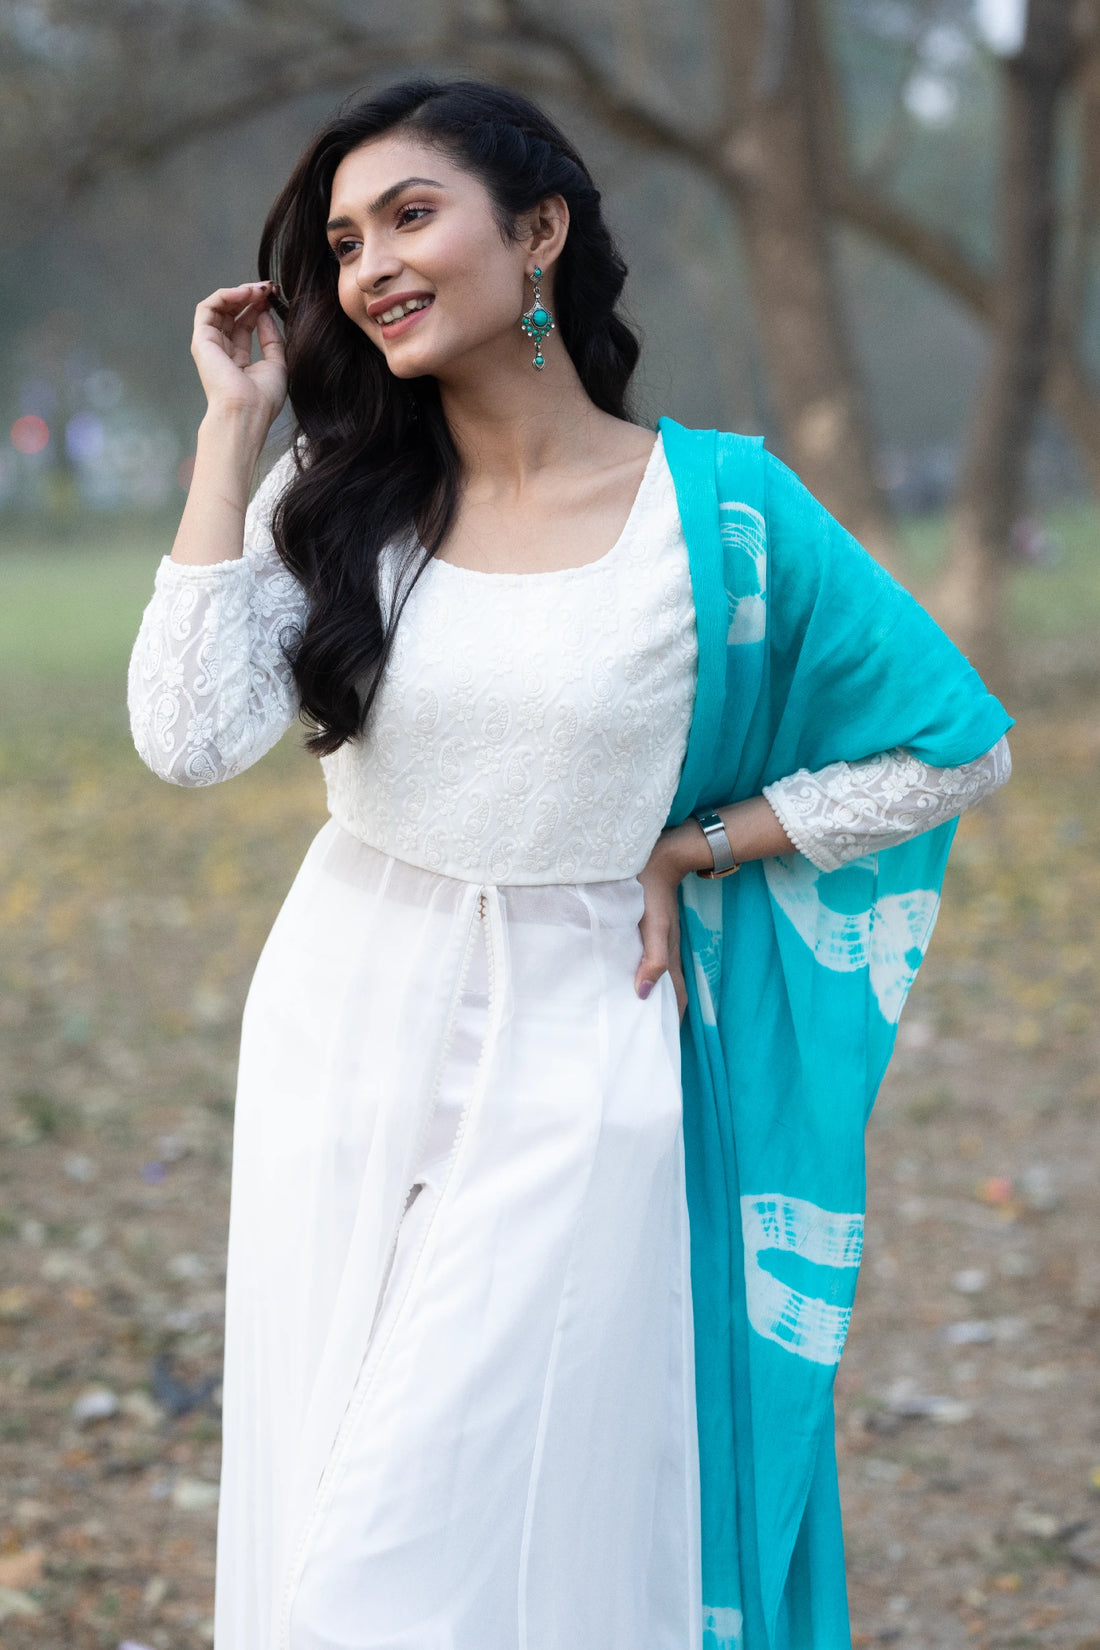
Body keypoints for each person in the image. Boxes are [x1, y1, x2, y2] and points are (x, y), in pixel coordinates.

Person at [127, 77, 1012, 1650]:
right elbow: (189, 737)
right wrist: (233, 426)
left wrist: (711, 839)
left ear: (538, 231)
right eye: (343, 241)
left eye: (411, 215)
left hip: (591, 1028)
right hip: (343, 1017)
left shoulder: (728, 515)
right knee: (336, 1472)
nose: (371, 266)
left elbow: (955, 746)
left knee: (443, 1527)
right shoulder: (340, 502)